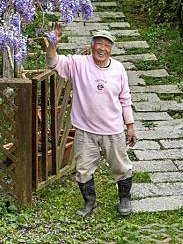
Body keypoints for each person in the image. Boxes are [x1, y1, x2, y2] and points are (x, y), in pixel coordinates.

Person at [41, 24, 137, 216]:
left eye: (107, 45)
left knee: (121, 167)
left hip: (113, 129)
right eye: (98, 44)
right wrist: (52, 45)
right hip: (85, 129)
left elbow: (125, 99)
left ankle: (124, 199)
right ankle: (89, 202)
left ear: (111, 49)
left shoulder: (118, 69)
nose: (102, 48)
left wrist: (130, 126)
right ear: (91, 46)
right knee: (84, 169)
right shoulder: (78, 64)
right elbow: (53, 62)